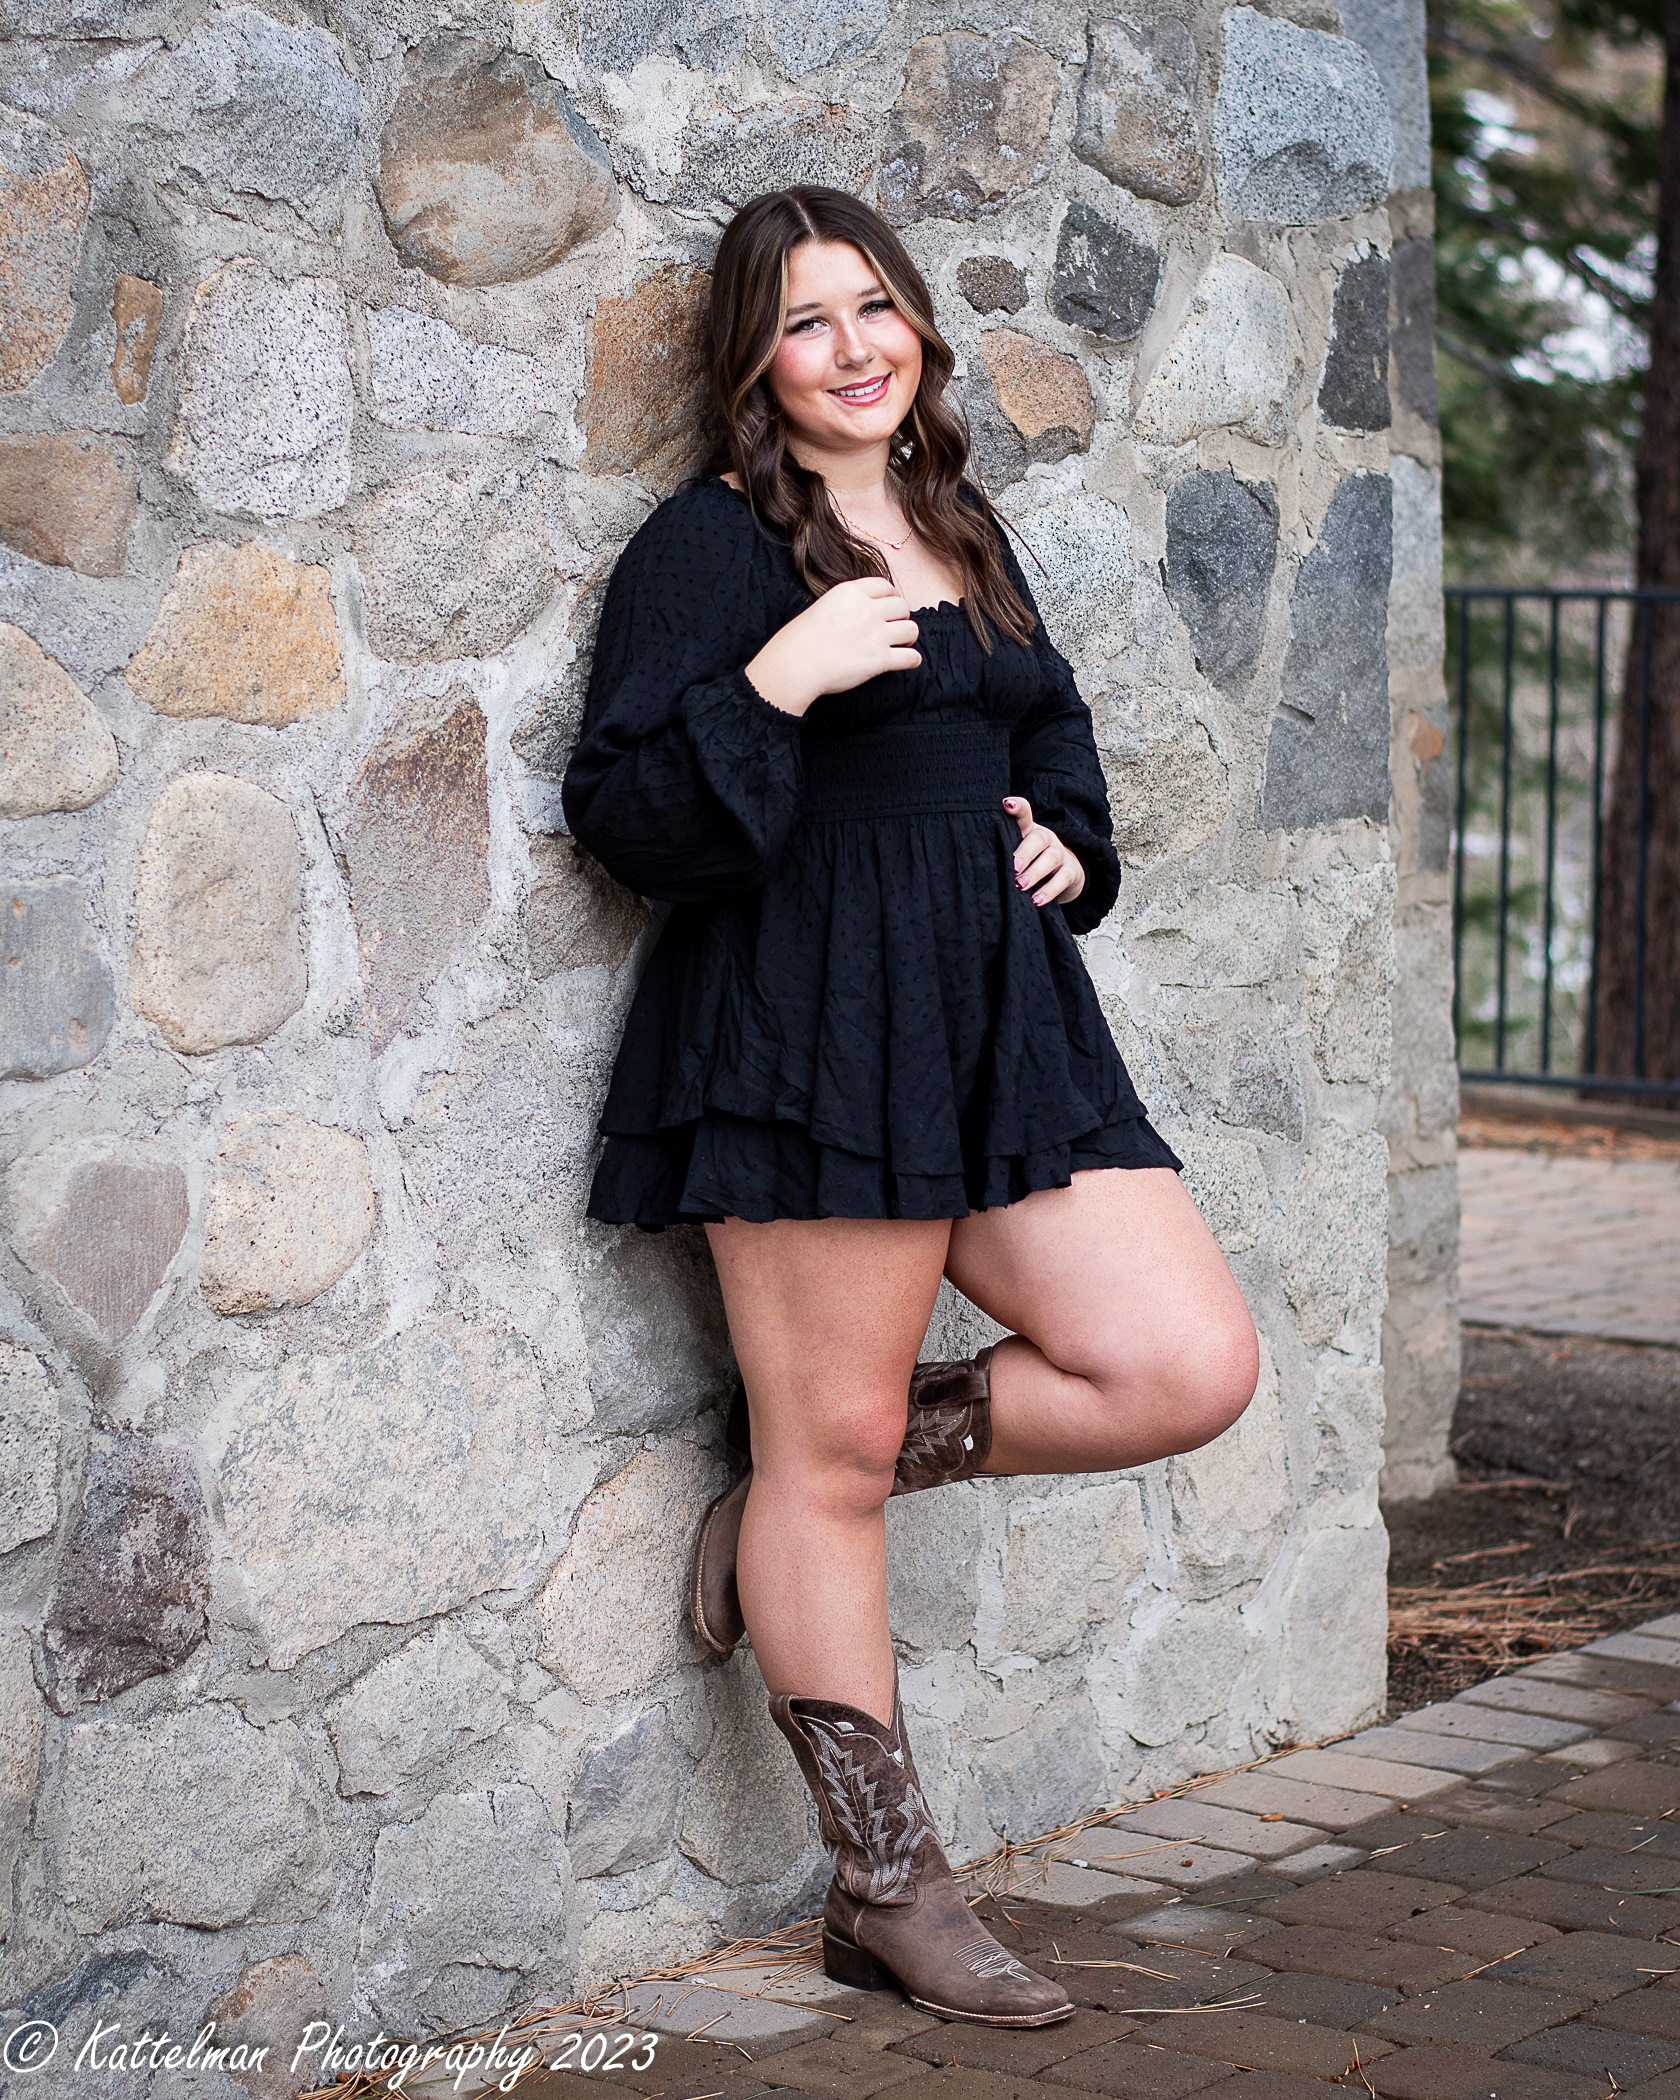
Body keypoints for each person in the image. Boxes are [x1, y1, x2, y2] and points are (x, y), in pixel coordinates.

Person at [560, 187, 1260, 2030]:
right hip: (805, 1021)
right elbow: (623, 815)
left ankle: (799, 1489)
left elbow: (1047, 726)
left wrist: (1069, 845)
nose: (855, 347)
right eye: (807, 321)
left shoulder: (957, 517)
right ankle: (887, 1890)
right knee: (838, 1452)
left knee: (1183, 1363)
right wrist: (772, 683)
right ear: (754, 360)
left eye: (876, 307)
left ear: (920, 326)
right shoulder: (709, 547)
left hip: (997, 1019)